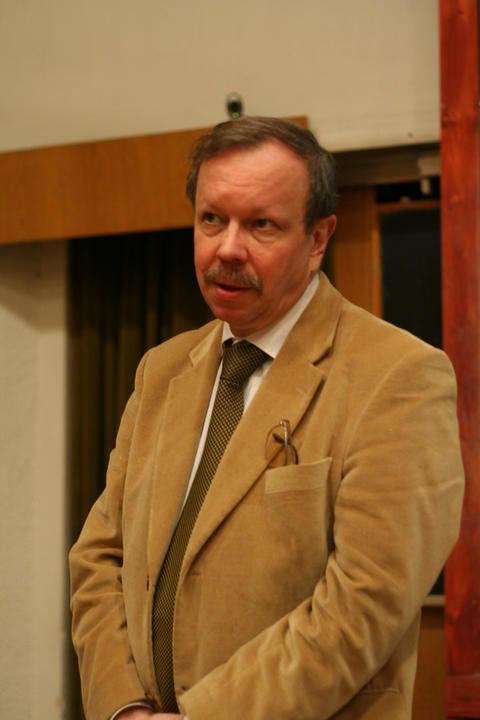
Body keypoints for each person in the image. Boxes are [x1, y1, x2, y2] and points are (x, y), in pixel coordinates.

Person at [69, 116, 464, 720]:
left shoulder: (399, 376)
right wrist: (123, 708)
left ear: (318, 238)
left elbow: (364, 607)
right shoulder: (160, 371)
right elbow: (99, 559)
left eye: (261, 225)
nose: (228, 248)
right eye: (212, 219)